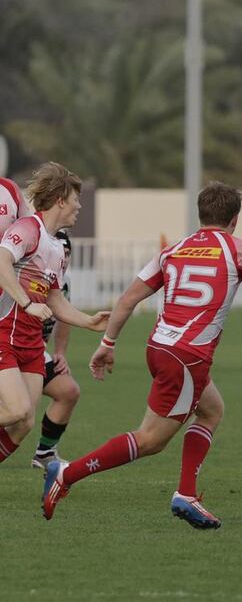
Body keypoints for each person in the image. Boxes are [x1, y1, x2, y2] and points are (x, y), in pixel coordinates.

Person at [42, 181, 242, 528]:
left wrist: (107, 345)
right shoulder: (238, 249)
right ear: (234, 219)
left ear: (200, 214)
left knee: (211, 410)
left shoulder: (174, 249)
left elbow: (128, 299)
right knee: (150, 440)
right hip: (187, 357)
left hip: (160, 347)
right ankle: (67, 473)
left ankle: (186, 493)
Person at [0, 163, 109, 465]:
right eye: (76, 199)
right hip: (4, 335)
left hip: (31, 345)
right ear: (61, 199)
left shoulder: (58, 247)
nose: (79, 206)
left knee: (23, 424)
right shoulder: (27, 228)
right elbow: (1, 261)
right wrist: (25, 303)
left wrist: (88, 321)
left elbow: (55, 299)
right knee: (16, 410)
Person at [30, 230, 83, 469]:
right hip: (12, 349)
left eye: (68, 253)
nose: (64, 258)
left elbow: (63, 318)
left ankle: (45, 453)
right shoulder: (27, 274)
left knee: (68, 391)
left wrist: (60, 351)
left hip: (34, 352)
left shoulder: (63, 282)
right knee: (18, 411)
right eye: (61, 252)